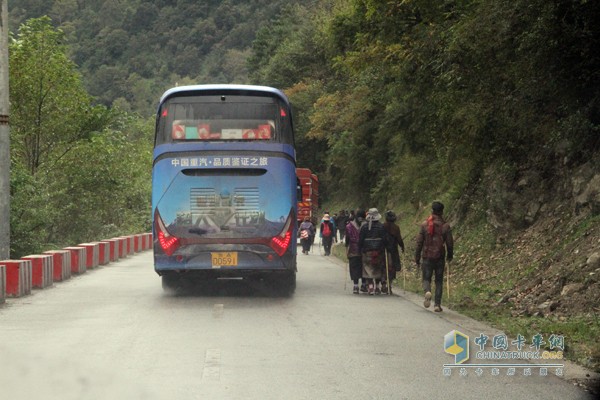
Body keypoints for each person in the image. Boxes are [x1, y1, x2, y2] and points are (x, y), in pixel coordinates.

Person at [415, 201, 454, 312]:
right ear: (442, 212)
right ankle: (437, 305)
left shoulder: (424, 225)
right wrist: (450, 255)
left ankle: (427, 291)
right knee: (439, 281)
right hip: (439, 256)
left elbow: (419, 243)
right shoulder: (445, 226)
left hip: (427, 256)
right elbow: (450, 243)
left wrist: (417, 257)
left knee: (426, 278)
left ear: (432, 211)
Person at [359, 208, 390, 295]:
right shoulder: (381, 226)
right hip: (379, 251)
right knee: (378, 268)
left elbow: (360, 240)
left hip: (367, 251)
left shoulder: (364, 227)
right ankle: (377, 286)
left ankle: (370, 286)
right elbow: (385, 239)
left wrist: (360, 248)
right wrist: (386, 247)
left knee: (367, 268)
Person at [382, 210, 405, 294]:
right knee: (392, 268)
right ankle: (389, 285)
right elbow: (399, 239)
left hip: (384, 250)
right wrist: (402, 247)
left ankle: (383, 283)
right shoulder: (396, 227)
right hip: (393, 251)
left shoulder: (383, 226)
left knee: (384, 266)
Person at [345, 209, 366, 294]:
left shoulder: (349, 226)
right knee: (364, 267)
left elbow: (347, 239)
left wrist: (346, 249)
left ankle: (355, 286)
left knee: (354, 268)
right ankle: (364, 285)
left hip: (353, 250)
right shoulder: (366, 225)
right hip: (364, 250)